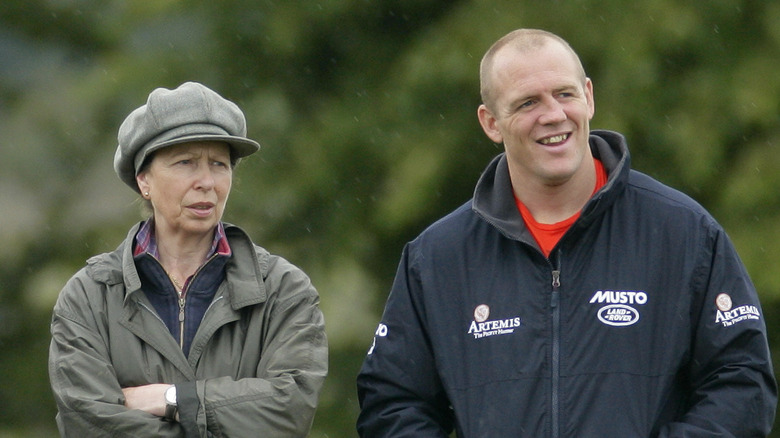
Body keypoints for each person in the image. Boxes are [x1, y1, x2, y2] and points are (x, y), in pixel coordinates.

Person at [356, 29, 777, 437]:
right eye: (526, 103)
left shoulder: (684, 232)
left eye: (565, 94)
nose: (553, 115)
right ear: (491, 123)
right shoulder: (437, 257)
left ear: (589, 97)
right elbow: (392, 403)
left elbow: (742, 382)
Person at [49, 81, 328, 437]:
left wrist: (171, 398)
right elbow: (88, 422)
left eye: (219, 164)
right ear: (143, 180)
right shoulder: (89, 296)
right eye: (186, 163)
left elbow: (289, 410)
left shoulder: (283, 290)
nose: (207, 181)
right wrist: (225, 415)